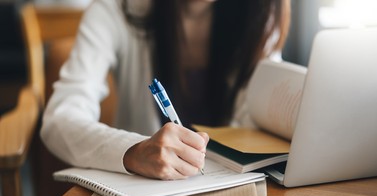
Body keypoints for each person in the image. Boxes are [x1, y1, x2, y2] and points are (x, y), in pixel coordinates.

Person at [40, 0, 290, 180]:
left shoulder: (259, 14)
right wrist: (132, 151)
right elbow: (60, 120)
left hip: (230, 192)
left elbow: (261, 120)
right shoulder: (114, 10)